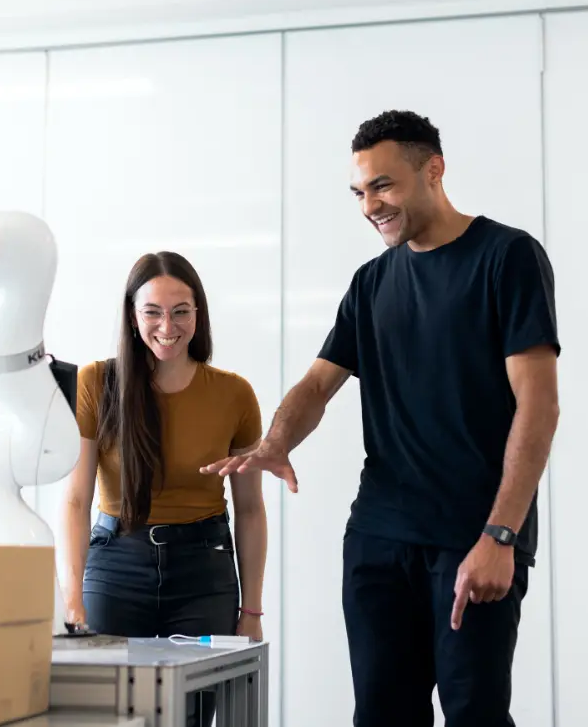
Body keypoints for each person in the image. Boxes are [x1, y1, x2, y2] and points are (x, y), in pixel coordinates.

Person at [202, 110, 560, 727]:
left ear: (434, 171)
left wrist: (501, 536)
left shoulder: (507, 258)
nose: (370, 204)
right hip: (379, 537)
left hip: (472, 537)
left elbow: (539, 405)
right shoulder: (371, 283)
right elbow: (319, 383)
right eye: (360, 191)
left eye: (384, 185)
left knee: (475, 713)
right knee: (381, 715)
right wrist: (275, 441)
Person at [61, 251, 267, 727]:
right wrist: (72, 596)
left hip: (204, 574)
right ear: (133, 317)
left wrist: (251, 608)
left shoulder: (234, 394)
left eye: (181, 311)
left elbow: (251, 511)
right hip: (116, 566)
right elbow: (75, 499)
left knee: (190, 718)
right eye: (152, 311)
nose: (167, 326)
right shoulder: (98, 382)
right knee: (107, 717)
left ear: (199, 315)